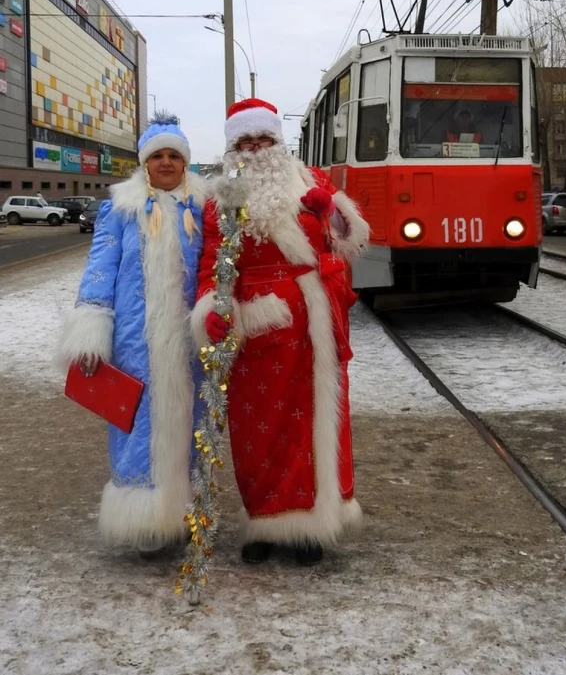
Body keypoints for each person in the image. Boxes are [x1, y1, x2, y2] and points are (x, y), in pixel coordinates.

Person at [191, 98, 369, 566]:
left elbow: (348, 238)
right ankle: (264, 521)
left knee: (311, 421)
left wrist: (328, 209)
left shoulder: (311, 181)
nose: (254, 150)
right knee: (257, 428)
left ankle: (309, 525)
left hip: (314, 323)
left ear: (277, 142)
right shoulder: (219, 199)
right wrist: (211, 306)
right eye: (244, 142)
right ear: (233, 148)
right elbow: (212, 263)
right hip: (256, 321)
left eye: (262, 140)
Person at [55, 114, 210, 555]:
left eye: (173, 156)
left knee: (189, 424)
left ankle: (183, 517)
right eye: (157, 155)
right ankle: (144, 520)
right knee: (138, 425)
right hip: (134, 341)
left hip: (186, 342)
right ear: (144, 163)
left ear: (185, 163)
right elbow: (100, 270)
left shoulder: (201, 210)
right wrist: (91, 328)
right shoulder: (119, 210)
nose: (165, 163)